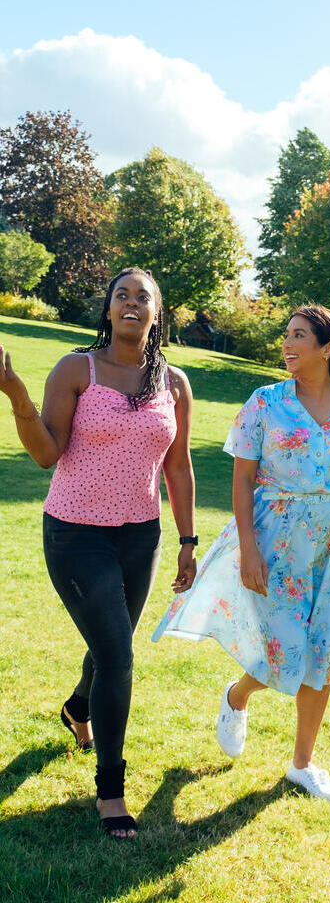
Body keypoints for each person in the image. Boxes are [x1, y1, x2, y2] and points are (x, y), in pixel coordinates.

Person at [153, 304, 330, 800]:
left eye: (298, 336)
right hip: (273, 534)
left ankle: (302, 765)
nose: (286, 344)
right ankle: (237, 695)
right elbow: (241, 480)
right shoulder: (265, 402)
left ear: (327, 348)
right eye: (286, 335)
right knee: (284, 651)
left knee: (323, 651)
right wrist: (248, 549)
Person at [0, 267, 196, 838]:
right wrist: (15, 394)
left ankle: (79, 708)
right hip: (75, 533)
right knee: (117, 653)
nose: (132, 304)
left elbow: (177, 467)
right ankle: (111, 790)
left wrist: (187, 542)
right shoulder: (76, 369)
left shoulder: (175, 384)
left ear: (157, 313)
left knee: (113, 645)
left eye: (144, 297)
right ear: (108, 310)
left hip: (142, 535)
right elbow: (45, 453)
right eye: (121, 296)